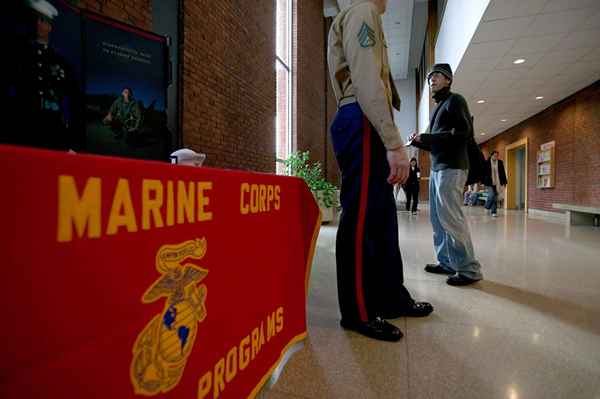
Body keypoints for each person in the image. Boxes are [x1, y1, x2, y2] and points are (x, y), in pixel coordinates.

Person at [328, 0, 433, 342]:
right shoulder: (363, 11)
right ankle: (357, 312)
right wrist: (394, 143)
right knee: (360, 222)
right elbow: (367, 79)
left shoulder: (364, 14)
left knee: (382, 219)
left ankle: (389, 297)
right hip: (361, 119)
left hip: (363, 117)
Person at [408, 63, 483, 286]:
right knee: (438, 220)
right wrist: (420, 142)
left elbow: (463, 133)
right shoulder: (438, 108)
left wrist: (428, 137)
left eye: (438, 76)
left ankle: (469, 270)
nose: (432, 79)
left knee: (451, 218)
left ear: (448, 80)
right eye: (430, 77)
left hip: (453, 167)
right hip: (439, 167)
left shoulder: (455, 100)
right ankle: (447, 262)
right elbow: (438, 143)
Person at [3, 0, 82, 151]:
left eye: (42, 20)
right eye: (34, 18)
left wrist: (73, 143)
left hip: (54, 134)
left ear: (49, 26)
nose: (37, 23)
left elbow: (75, 103)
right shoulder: (14, 55)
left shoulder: (61, 62)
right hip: (20, 131)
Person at [483, 150, 507, 217]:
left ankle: (494, 212)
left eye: (497, 156)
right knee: (491, 195)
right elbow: (484, 173)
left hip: (497, 183)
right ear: (491, 155)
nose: (496, 157)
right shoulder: (487, 162)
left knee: (495, 198)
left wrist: (504, 182)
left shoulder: (500, 162)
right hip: (489, 182)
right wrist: (483, 182)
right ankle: (487, 207)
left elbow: (503, 173)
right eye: (495, 155)